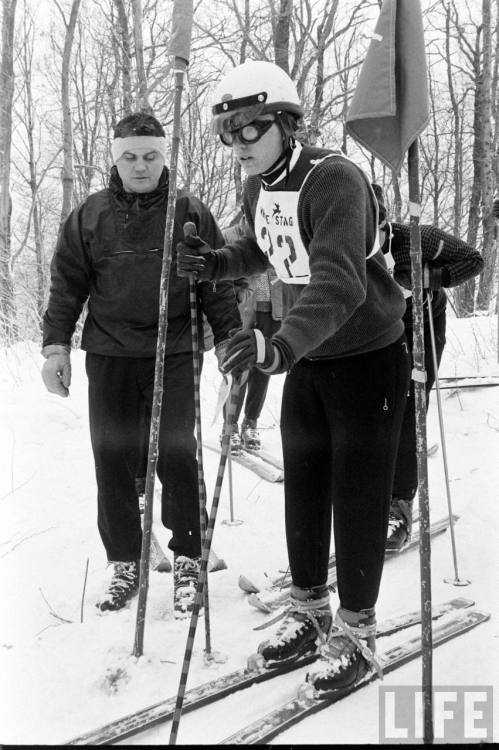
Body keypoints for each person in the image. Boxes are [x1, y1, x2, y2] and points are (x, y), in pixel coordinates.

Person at [177, 60, 410, 693]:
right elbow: (269, 247)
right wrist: (218, 263)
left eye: (248, 130)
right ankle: (309, 611)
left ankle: (357, 632)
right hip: (311, 356)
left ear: (285, 122)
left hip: (365, 355)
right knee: (303, 487)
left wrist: (276, 346)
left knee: (357, 496)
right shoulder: (260, 187)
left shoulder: (335, 179)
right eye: (227, 133)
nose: (236, 145)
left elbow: (337, 279)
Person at [41, 112, 241, 616]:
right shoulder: (90, 216)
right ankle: (125, 559)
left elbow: (216, 280)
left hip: (173, 352)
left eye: (150, 155)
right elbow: (67, 284)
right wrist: (56, 347)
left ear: (163, 156)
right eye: (130, 156)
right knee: (113, 457)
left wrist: (231, 344)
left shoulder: (189, 212)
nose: (141, 166)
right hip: (109, 354)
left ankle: (189, 556)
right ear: (115, 159)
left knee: (176, 452)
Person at [373, 185, 484, 551]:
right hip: (377, 325)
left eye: (368, 229)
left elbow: (474, 260)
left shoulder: (417, 239)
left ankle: (400, 504)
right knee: (378, 407)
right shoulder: (343, 243)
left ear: (384, 222)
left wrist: (433, 278)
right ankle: (369, 494)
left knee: (408, 407)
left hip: (421, 322)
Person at [222, 216, 283, 453]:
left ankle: (251, 421)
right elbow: (220, 276)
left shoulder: (275, 232)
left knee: (264, 364)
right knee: (239, 363)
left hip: (271, 310)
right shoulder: (230, 236)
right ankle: (230, 425)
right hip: (242, 309)